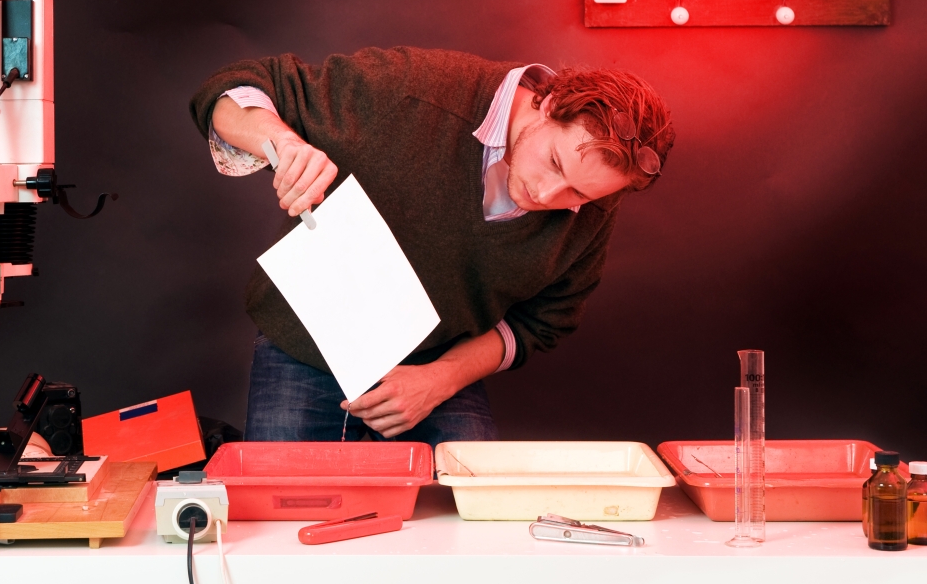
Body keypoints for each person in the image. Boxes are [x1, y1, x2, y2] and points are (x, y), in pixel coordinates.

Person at [189, 46, 674, 447]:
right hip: (304, 348)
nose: (549, 196)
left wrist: (441, 379)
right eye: (553, 163)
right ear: (549, 105)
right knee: (282, 530)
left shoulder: (592, 205)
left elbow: (543, 322)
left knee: (466, 536)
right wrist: (284, 143)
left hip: (437, 368)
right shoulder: (411, 90)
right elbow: (235, 85)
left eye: (580, 194)